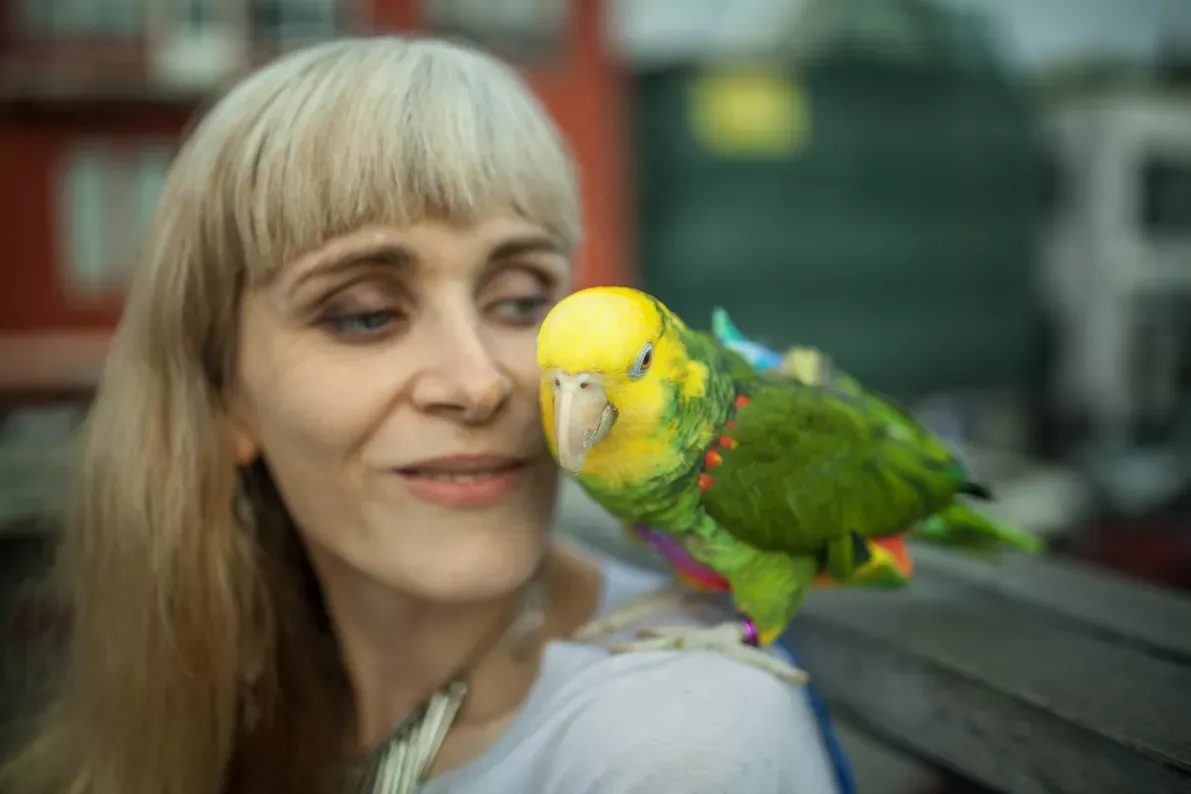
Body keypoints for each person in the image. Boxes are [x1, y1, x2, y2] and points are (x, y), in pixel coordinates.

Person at [0, 36, 843, 794]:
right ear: (225, 397)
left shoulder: (674, 749)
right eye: (365, 313)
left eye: (519, 302)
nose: (480, 384)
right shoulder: (243, 686)